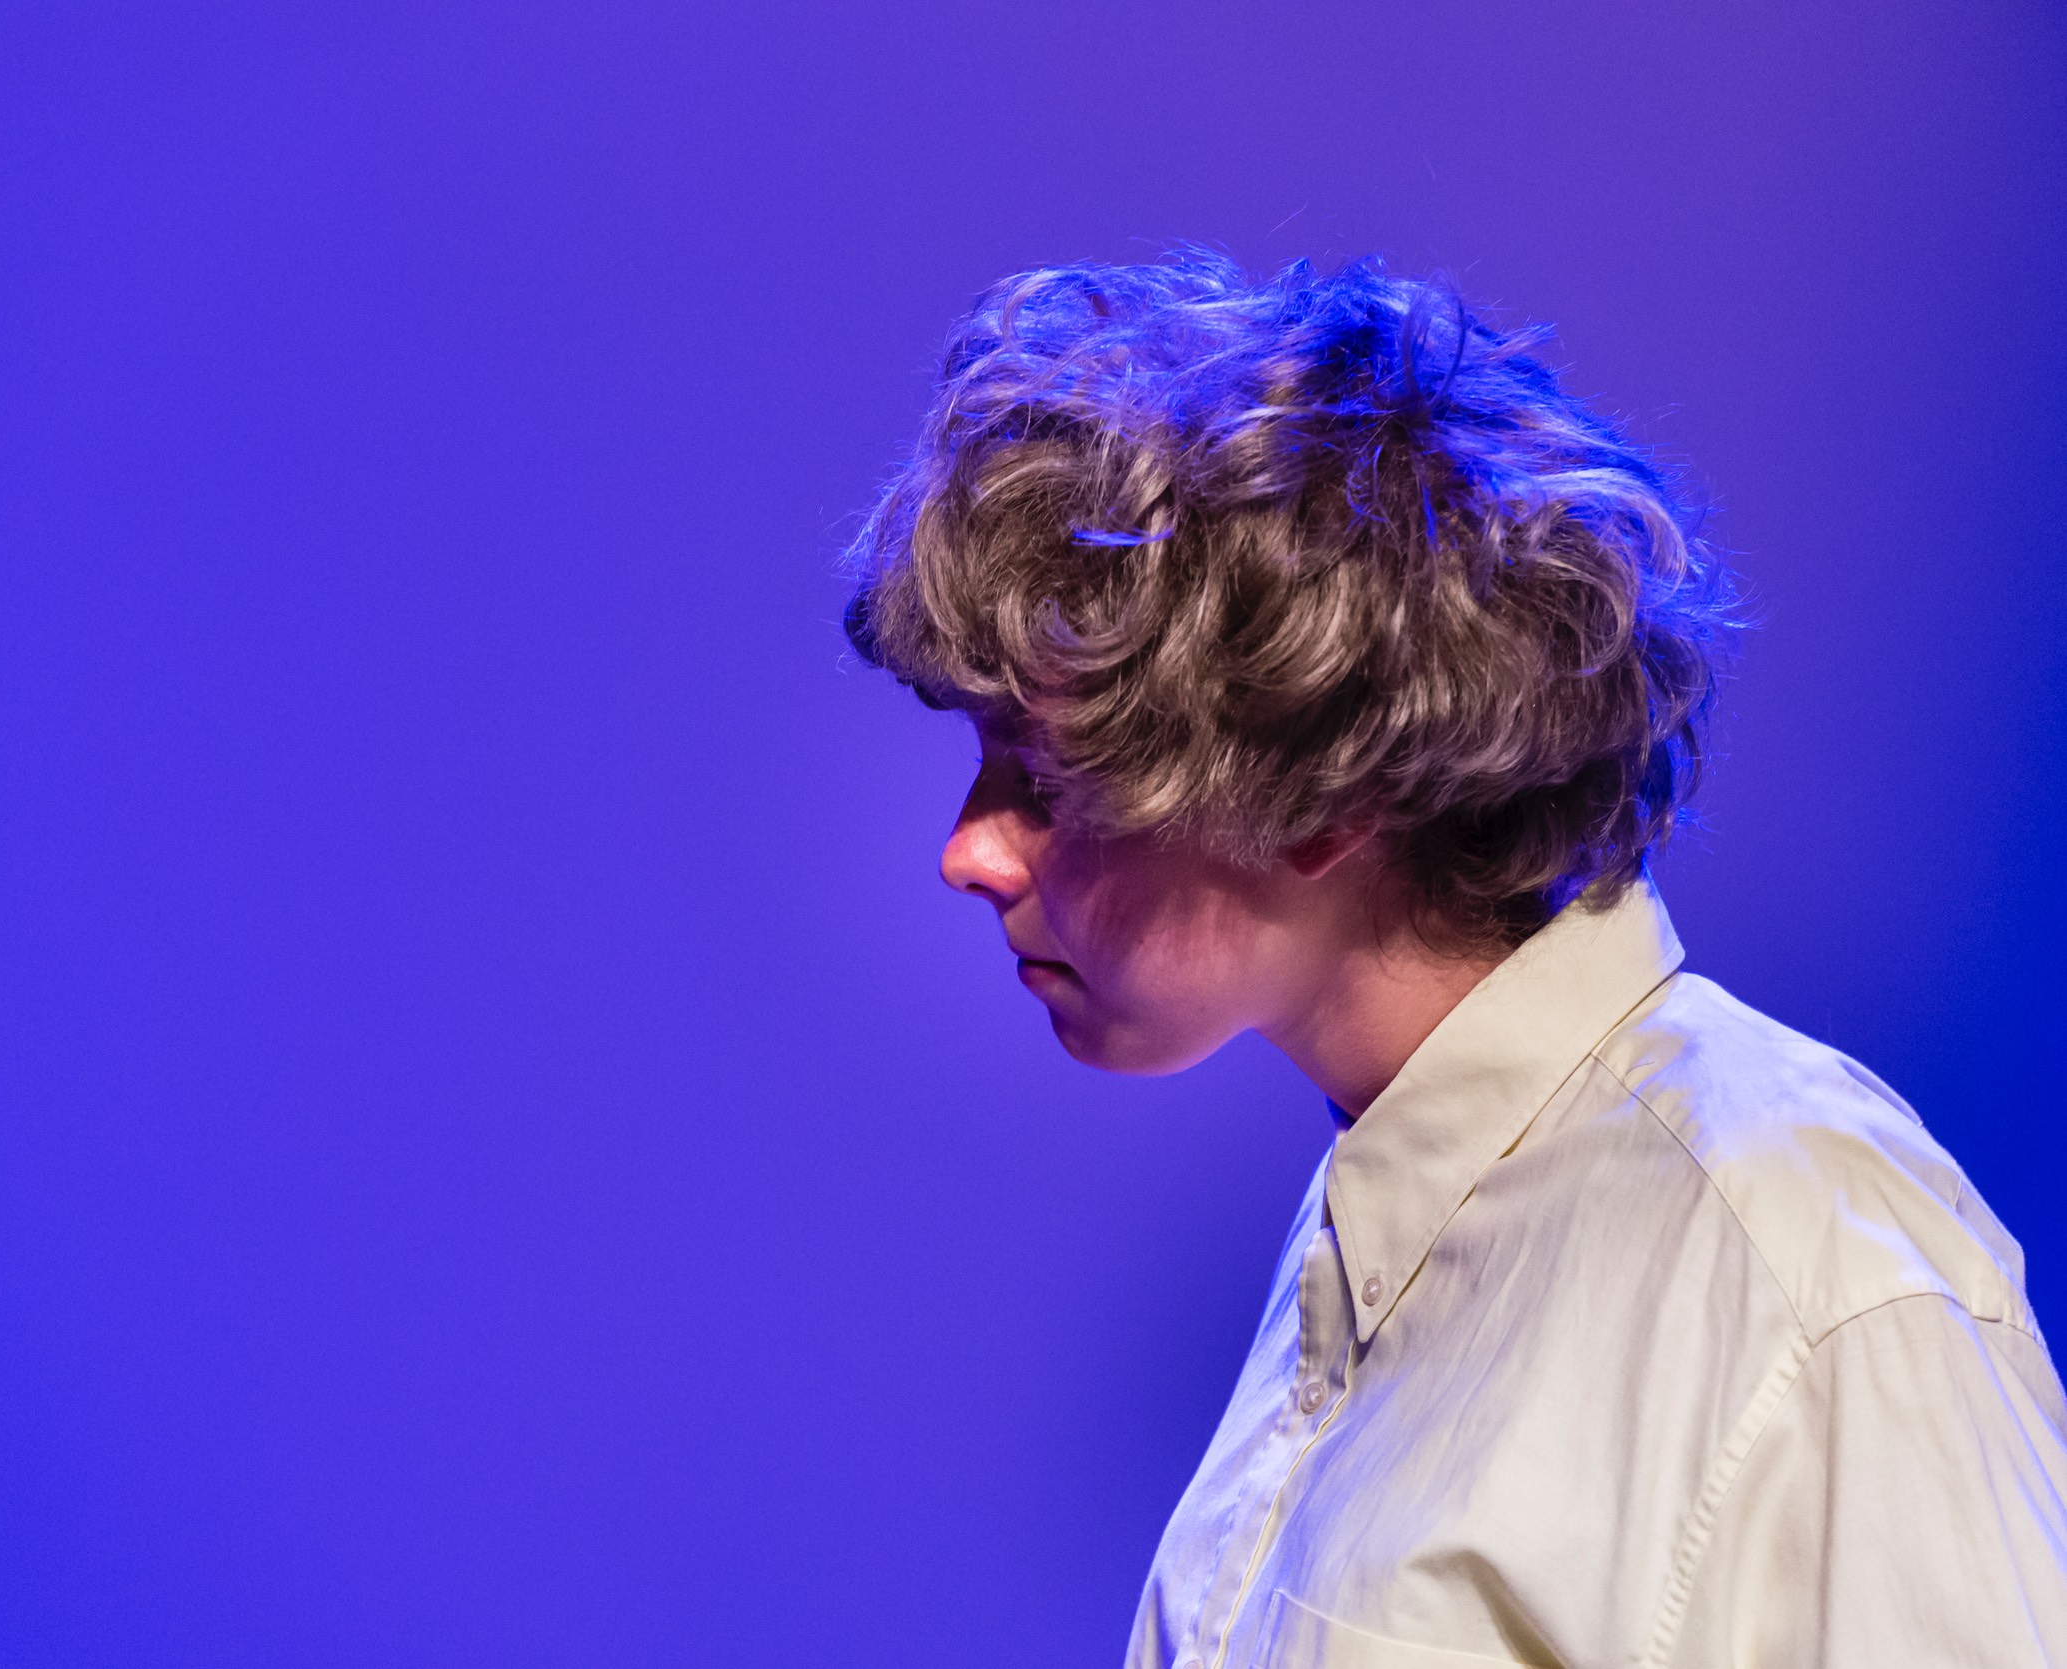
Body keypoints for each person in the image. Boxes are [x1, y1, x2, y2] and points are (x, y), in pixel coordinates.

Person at [842, 250, 2067, 1667]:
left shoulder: (1805, 1267)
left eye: (1045, 780)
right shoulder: (1392, 1217)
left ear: (1319, 796)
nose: (971, 852)